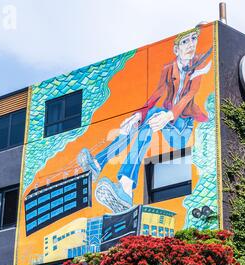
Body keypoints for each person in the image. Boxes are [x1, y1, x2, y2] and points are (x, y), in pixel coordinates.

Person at [78, 27, 212, 213]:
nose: (191, 44)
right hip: (164, 120)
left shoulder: (199, 64)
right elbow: (156, 94)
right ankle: (116, 179)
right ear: (176, 49)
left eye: (194, 39)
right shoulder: (168, 69)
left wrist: (169, 115)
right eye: (185, 41)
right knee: (141, 122)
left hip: (181, 130)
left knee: (152, 116)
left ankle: (111, 172)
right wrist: (137, 116)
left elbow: (190, 95)